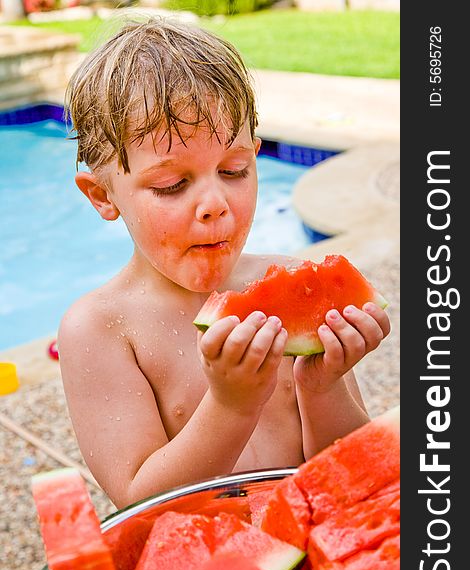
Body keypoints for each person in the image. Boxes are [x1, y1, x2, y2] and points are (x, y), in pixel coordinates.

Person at [58, 18, 390, 509]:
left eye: (234, 170)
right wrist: (230, 406)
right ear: (102, 195)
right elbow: (141, 507)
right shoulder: (100, 329)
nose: (215, 202)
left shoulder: (291, 279)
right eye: (172, 184)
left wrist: (323, 389)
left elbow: (353, 476)